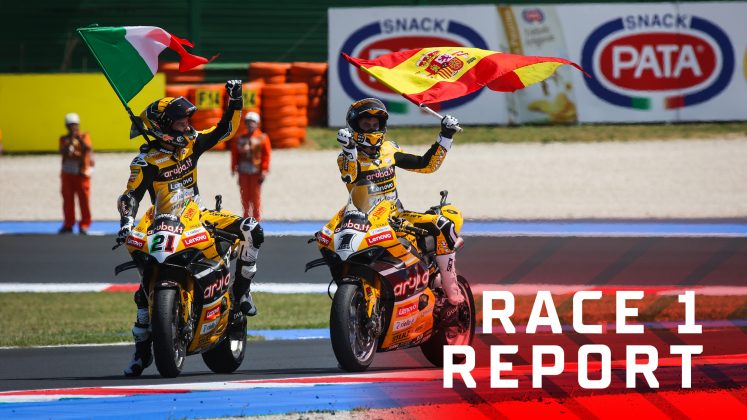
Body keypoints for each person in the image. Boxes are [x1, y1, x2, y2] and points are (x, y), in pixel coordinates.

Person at [117, 81, 264, 377]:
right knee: (144, 284)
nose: (187, 125)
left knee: (253, 230)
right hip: (159, 220)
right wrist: (126, 223)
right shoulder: (145, 161)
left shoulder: (192, 142)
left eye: (187, 120)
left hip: (198, 215)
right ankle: (142, 351)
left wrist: (235, 101)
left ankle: (242, 292)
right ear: (163, 127)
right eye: (180, 121)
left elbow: (225, 130)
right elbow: (130, 196)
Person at [336, 98, 464, 306]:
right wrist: (350, 150)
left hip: (396, 215)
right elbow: (350, 176)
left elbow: (426, 165)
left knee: (443, 224)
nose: (372, 129)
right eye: (366, 124)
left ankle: (453, 291)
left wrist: (446, 136)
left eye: (375, 124)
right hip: (365, 221)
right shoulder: (346, 158)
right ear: (354, 127)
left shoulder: (390, 149)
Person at [231, 112, 271, 220]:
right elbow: (235, 154)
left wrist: (264, 170)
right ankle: (246, 219)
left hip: (256, 172)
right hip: (243, 172)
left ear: (257, 123)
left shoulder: (263, 138)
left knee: (255, 197)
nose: (250, 124)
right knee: (244, 197)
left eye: (252, 122)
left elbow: (266, 155)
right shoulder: (240, 138)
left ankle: (256, 219)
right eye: (248, 122)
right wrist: (233, 167)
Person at [59, 113, 94, 234]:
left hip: (81, 174)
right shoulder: (63, 139)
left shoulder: (84, 136)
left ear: (78, 125)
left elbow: (87, 148)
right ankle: (68, 224)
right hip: (67, 174)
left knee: (84, 200)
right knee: (68, 200)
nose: (72, 127)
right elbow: (62, 151)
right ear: (66, 126)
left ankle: (84, 224)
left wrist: (78, 139)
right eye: (70, 125)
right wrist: (70, 141)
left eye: (74, 125)